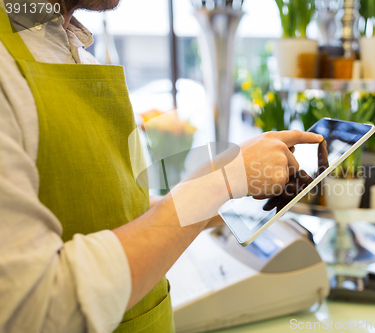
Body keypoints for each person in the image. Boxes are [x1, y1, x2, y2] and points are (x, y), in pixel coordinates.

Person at [0, 0, 324, 332]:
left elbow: (120, 212)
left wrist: (234, 192)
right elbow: (35, 305)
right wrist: (219, 180)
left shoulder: (75, 51)